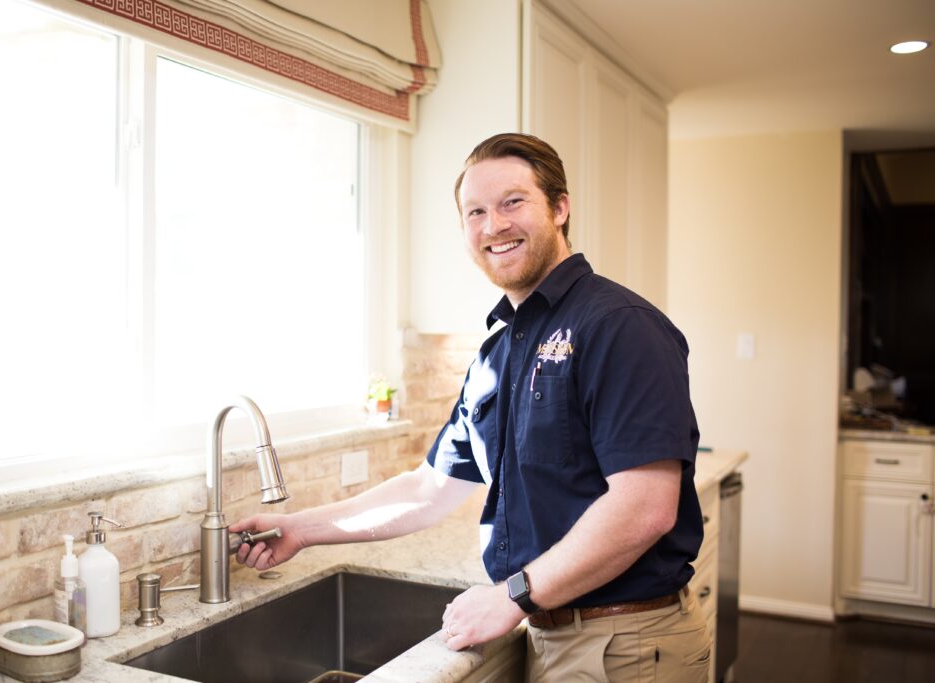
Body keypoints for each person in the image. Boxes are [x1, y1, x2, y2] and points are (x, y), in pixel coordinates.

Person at [231, 132, 709, 683]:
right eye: (475, 211)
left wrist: (513, 594)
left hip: (624, 644)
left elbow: (645, 508)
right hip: (555, 633)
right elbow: (428, 490)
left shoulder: (617, 325)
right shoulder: (497, 353)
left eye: (512, 202)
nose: (493, 225)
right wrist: (302, 528)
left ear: (559, 208)